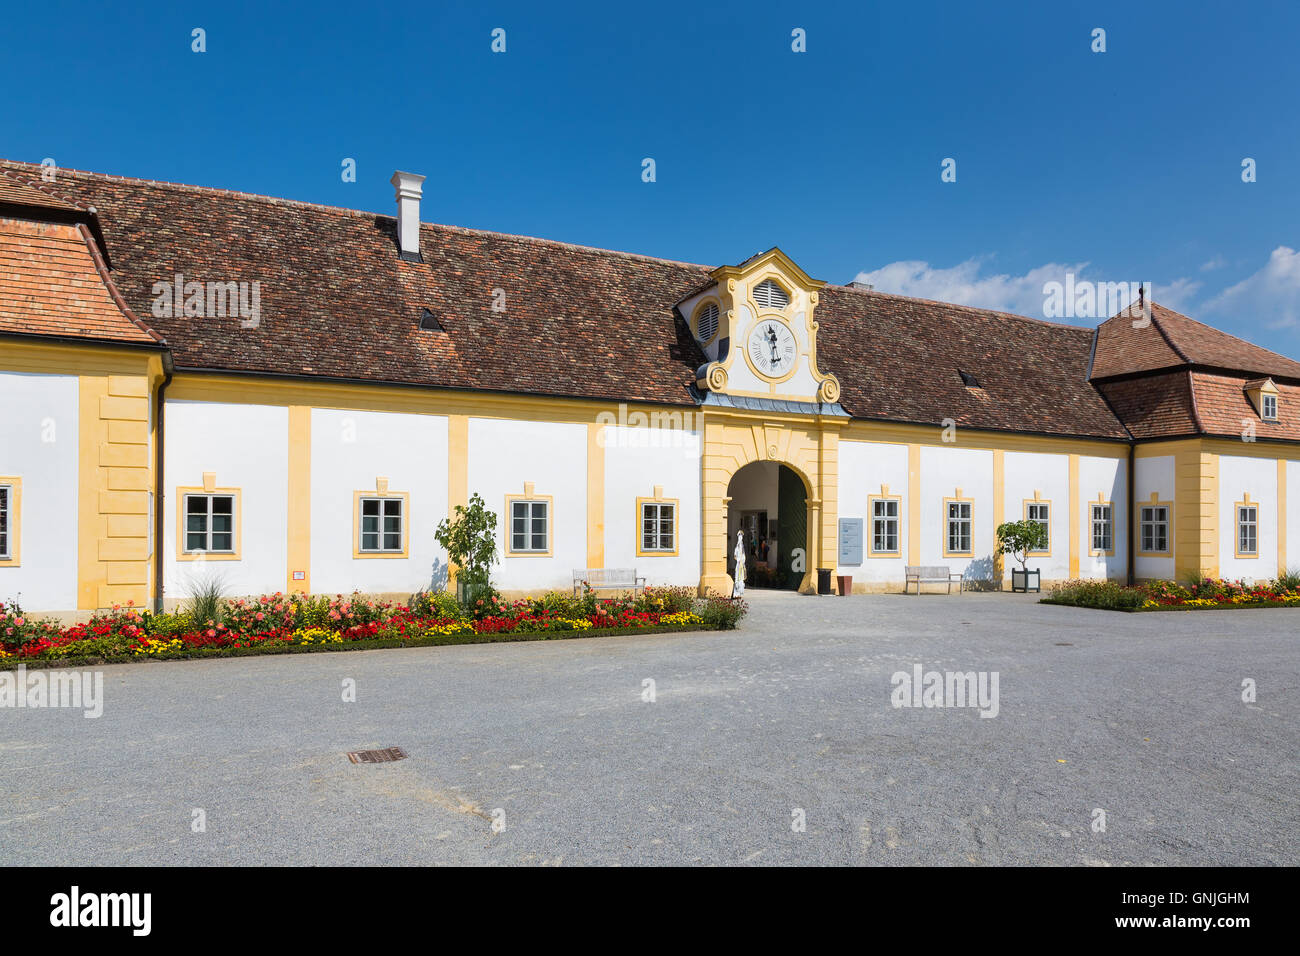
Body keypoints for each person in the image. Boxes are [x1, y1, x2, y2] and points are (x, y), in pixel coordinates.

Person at [732, 530, 746, 598]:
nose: (741, 538)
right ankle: (736, 593)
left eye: (741, 536)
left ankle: (739, 593)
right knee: (737, 578)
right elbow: (735, 556)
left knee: (741, 578)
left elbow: (743, 556)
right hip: (738, 565)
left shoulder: (742, 547)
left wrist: (743, 562)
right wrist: (738, 560)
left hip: (742, 564)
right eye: (740, 536)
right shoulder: (737, 547)